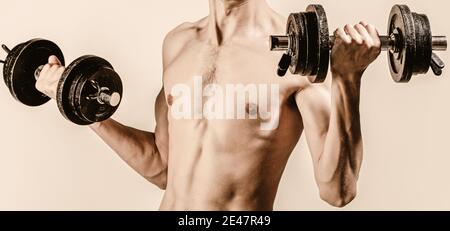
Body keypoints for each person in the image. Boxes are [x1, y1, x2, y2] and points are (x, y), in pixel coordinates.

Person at [35, 0, 381, 210]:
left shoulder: (301, 58)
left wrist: (348, 79)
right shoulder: (178, 44)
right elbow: (163, 168)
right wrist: (77, 103)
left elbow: (337, 191)